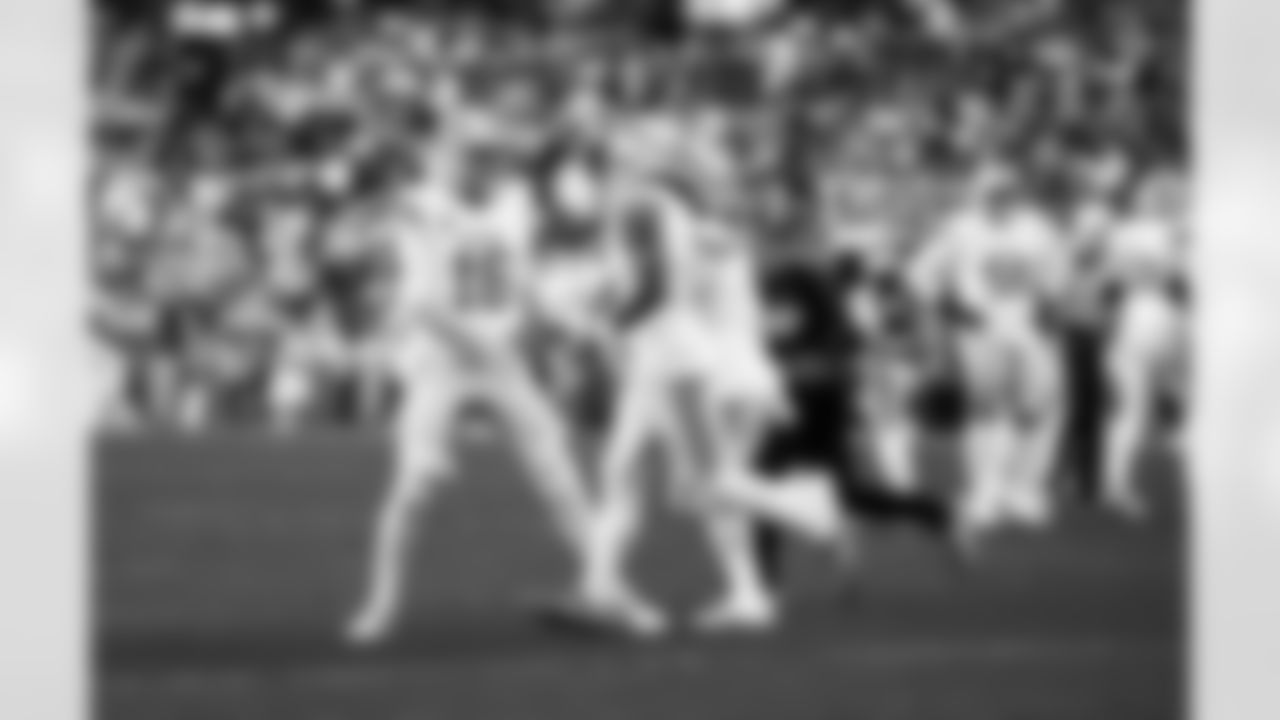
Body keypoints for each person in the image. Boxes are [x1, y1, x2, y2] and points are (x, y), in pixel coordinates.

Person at [344, 120, 597, 646]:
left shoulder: (514, 204)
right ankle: (380, 605)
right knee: (415, 485)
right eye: (470, 156)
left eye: (487, 156)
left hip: (502, 358)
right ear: (450, 157)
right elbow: (421, 304)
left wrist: (554, 322)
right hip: (443, 358)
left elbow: (521, 280)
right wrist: (483, 345)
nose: (480, 166)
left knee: (558, 470)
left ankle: (606, 584)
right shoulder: (424, 209)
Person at [908, 161, 1069, 552]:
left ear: (1017, 191)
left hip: (1032, 329)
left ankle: (1025, 490)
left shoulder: (1038, 226)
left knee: (1039, 409)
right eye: (992, 192)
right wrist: (950, 309)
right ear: (979, 193)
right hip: (981, 331)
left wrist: (1052, 303)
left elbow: (1059, 271)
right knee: (986, 410)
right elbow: (920, 273)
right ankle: (985, 490)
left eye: (1007, 191)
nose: (1000, 199)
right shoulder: (959, 227)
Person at [1096, 171, 1187, 518]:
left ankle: (1113, 485)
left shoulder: (1121, 233)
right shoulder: (1173, 233)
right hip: (1160, 316)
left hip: (1129, 318)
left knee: (1131, 413)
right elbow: (1182, 282)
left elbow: (1109, 286)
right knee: (1154, 408)